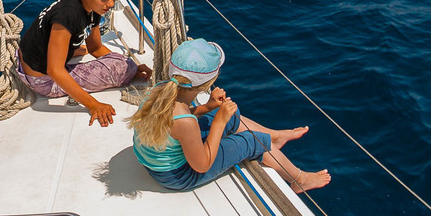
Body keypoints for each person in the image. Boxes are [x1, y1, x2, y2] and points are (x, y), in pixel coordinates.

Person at [128, 38, 330, 193]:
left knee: (229, 115)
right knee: (253, 140)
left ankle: (274, 138)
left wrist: (208, 108)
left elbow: (174, 123)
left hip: (155, 163)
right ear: (207, 82)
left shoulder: (161, 89)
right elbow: (202, 165)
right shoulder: (186, 122)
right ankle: (299, 180)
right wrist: (219, 122)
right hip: (177, 176)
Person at [18, 0, 151, 126]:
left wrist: (129, 65)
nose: (110, 3)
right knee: (123, 68)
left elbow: (95, 48)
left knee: (124, 63)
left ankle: (71, 50)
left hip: (35, 58)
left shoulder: (92, 7)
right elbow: (54, 70)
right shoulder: (68, 15)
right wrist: (93, 105)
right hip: (42, 79)